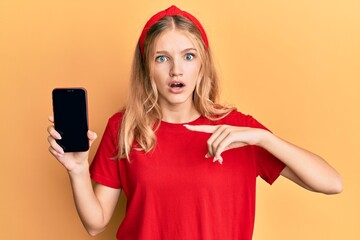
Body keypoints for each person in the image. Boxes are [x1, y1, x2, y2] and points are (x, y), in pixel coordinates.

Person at [47, 5, 343, 240]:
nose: (176, 70)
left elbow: (332, 183)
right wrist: (77, 170)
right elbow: (96, 224)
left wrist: (263, 138)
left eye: (188, 56)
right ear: (146, 67)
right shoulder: (124, 127)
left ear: (202, 64)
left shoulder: (238, 130)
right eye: (162, 58)